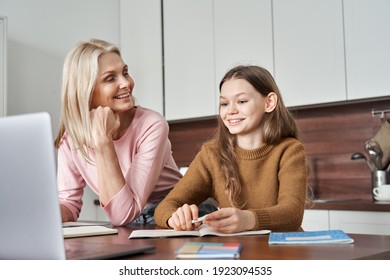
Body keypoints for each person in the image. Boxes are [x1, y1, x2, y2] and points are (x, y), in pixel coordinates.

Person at [154, 65, 308, 233]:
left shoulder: (290, 150)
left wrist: (248, 219)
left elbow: (292, 214)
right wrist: (175, 218)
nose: (231, 111)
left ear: (269, 102)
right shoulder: (211, 154)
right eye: (224, 103)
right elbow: (164, 207)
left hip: (281, 253)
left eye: (241, 101)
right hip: (236, 252)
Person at [54, 39, 182, 226]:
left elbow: (122, 214)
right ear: (86, 91)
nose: (126, 83)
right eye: (110, 78)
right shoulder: (70, 140)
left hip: (176, 213)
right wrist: (40, 213)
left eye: (125, 73)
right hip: (133, 223)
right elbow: (69, 204)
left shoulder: (151, 125)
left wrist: (103, 142)